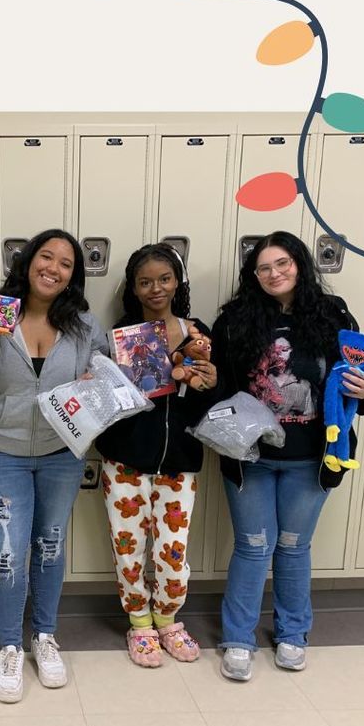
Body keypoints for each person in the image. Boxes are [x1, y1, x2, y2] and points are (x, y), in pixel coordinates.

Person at [210, 231, 364, 681]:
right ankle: (239, 639)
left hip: (312, 458)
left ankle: (292, 634)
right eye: (263, 268)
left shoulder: (331, 316)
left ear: (299, 264)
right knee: (252, 546)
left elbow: (354, 384)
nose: (273, 274)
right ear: (253, 274)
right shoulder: (235, 320)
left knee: (293, 546)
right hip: (250, 458)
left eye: (281, 263)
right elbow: (221, 388)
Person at [0, 228, 108, 703]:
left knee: (50, 546)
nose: (54, 268)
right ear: (27, 262)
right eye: (46, 257)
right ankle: (8, 645)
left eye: (65, 263)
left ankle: (44, 636)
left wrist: (92, 382)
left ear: (72, 276)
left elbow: (106, 386)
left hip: (61, 454)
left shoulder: (83, 325)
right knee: (7, 551)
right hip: (1, 453)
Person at [95, 243, 218, 667]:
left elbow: (210, 406)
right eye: (145, 281)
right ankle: (140, 623)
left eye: (164, 279)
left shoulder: (198, 333)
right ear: (133, 287)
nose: (155, 288)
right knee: (128, 546)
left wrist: (207, 384)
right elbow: (105, 405)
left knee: (173, 549)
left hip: (179, 464)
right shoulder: (121, 338)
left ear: (177, 282)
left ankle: (167, 619)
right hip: (126, 462)